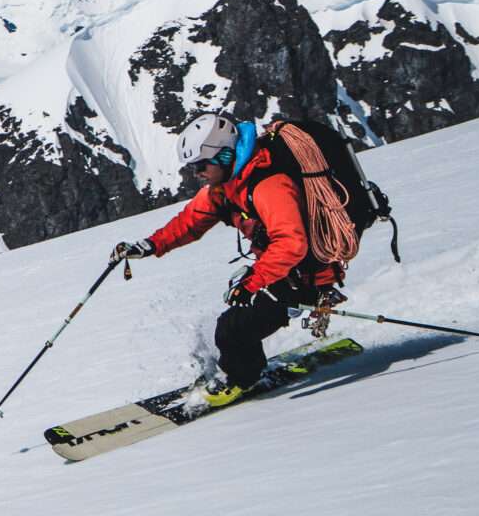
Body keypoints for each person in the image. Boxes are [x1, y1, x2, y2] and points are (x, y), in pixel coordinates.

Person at [109, 112, 342, 401]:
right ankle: (246, 369)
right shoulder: (228, 185)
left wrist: (252, 283)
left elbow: (292, 244)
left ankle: (243, 380)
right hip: (279, 269)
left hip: (304, 275)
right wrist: (149, 245)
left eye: (201, 165)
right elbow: (190, 221)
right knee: (236, 323)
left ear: (223, 156)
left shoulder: (268, 185)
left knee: (232, 329)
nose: (197, 173)